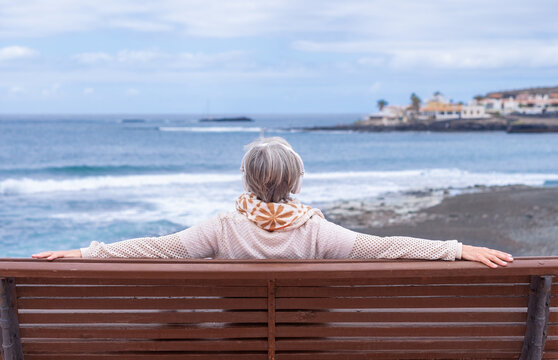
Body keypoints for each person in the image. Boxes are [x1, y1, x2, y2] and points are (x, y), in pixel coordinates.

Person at [32, 137, 513, 268]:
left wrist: (84, 253)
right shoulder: (317, 231)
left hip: (234, 340)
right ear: (296, 182)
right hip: (309, 343)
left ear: (246, 179)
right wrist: (456, 248)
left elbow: (154, 249)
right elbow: (386, 247)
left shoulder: (221, 227)